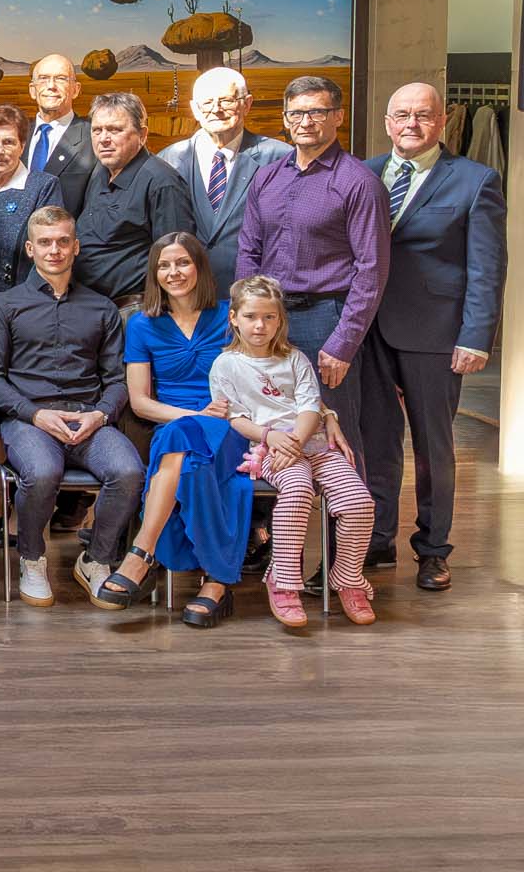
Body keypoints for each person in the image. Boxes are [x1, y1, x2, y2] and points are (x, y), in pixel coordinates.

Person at [361, 82, 505, 591]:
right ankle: (375, 542)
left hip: (435, 333)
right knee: (375, 445)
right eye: (401, 114)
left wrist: (476, 336)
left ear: (442, 122)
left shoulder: (475, 180)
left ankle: (433, 550)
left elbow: (487, 268)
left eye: (423, 115)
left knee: (433, 448)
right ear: (387, 121)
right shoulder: (366, 171)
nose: (411, 124)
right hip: (367, 330)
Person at [0, 205, 137, 606]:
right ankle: (32, 558)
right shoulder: (5, 304)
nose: (55, 250)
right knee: (42, 471)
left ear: (76, 247)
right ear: (31, 249)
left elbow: (118, 380)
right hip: (29, 418)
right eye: (46, 243)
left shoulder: (101, 308)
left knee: (128, 471)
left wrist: (100, 414)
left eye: (63, 242)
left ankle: (97, 558)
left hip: (89, 416)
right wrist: (35, 414)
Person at [93, 232, 245, 626]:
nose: (173, 272)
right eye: (164, 265)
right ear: (154, 272)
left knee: (188, 452)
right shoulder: (143, 324)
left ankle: (141, 555)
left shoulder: (230, 316)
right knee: (184, 449)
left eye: (182, 263)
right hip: (174, 422)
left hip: (230, 425)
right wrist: (191, 416)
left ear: (199, 267)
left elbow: (268, 371)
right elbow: (140, 401)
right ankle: (215, 583)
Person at [210, 275, 376, 628]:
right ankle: (282, 582)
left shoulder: (296, 359)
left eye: (269, 317)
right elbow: (235, 417)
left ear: (280, 320)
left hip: (312, 443)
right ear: (234, 318)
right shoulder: (226, 365)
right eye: (252, 316)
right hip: (269, 450)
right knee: (298, 490)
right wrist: (270, 438)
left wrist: (298, 441)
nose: (260, 325)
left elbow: (310, 406)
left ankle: (347, 579)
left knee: (359, 502)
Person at [237, 74, 390, 457]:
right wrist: (244, 314)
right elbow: (248, 250)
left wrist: (343, 342)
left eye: (317, 112)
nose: (306, 122)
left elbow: (371, 269)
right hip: (269, 318)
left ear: (338, 116)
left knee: (336, 431)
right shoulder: (267, 178)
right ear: (286, 119)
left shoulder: (359, 183)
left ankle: (350, 516)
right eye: (297, 113)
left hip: (327, 318)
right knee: (269, 422)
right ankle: (279, 516)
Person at [154, 67, 288, 287]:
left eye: (227, 101)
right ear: (194, 109)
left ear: (247, 104)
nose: (216, 110)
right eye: (207, 103)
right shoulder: (167, 161)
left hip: (253, 299)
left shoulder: (278, 159)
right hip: (184, 298)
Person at [74, 91, 196, 315]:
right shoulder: (100, 171)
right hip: (92, 308)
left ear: (142, 134)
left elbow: (176, 260)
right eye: (97, 130)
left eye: (115, 129)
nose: (104, 138)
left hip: (135, 312)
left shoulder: (162, 181)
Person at [0, 105, 62, 337]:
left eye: (9, 142)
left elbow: (48, 256)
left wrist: (8, 313)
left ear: (22, 146)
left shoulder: (43, 186)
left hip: (27, 314)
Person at [25, 53, 98, 215]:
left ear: (75, 90)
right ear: (32, 90)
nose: (51, 86)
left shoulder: (94, 138)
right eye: (43, 78)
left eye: (61, 79)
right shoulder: (16, 136)